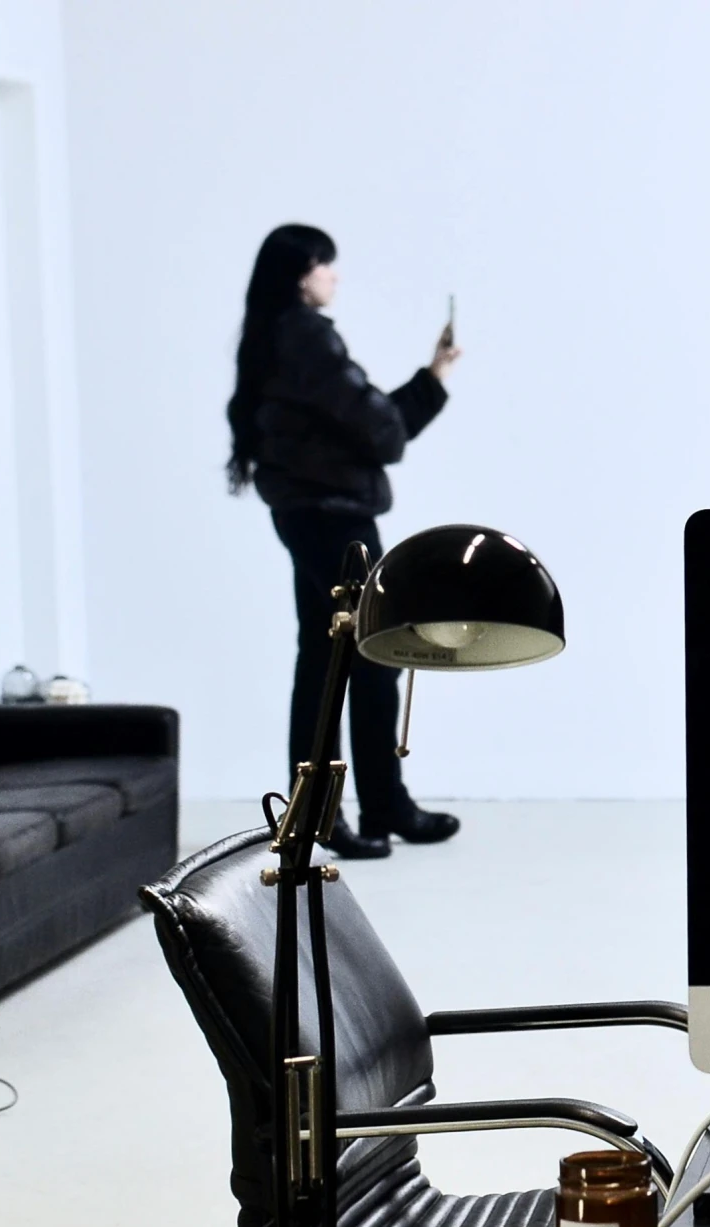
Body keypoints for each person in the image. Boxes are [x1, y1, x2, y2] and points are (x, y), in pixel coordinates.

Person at [225, 224, 462, 858]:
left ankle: (323, 816)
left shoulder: (270, 335)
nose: (335, 276)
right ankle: (375, 808)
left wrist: (430, 377)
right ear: (304, 271)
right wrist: (433, 381)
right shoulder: (306, 335)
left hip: (306, 514)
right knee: (370, 656)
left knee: (323, 661)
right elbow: (381, 431)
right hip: (337, 521)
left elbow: (370, 422)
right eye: (327, 265)